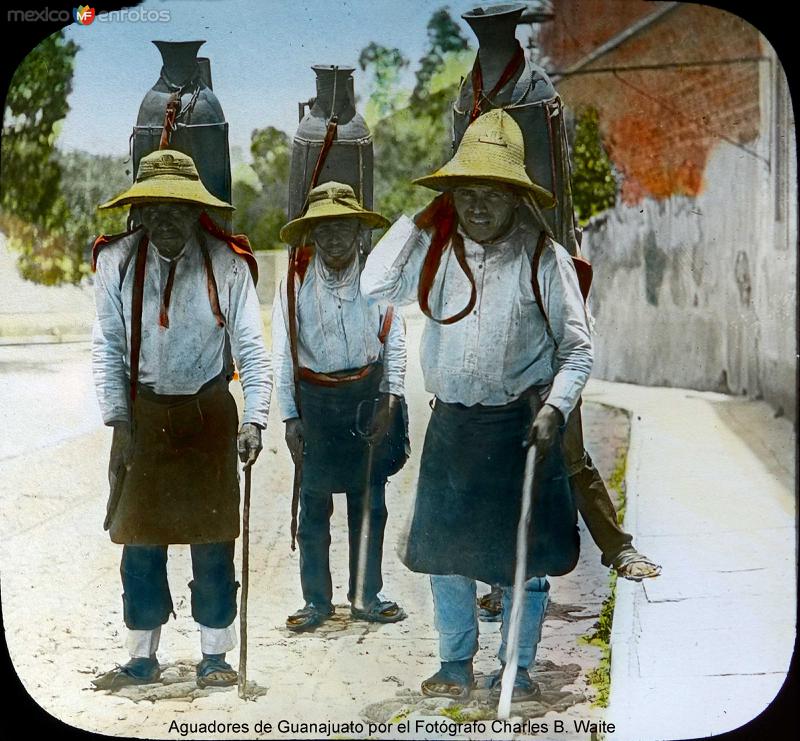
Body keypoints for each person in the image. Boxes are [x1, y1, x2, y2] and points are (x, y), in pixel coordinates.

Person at [361, 109, 592, 701]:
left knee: (525, 559)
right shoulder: (435, 250)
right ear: (451, 199)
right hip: (454, 425)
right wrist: (420, 218)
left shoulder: (544, 257)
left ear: (517, 198)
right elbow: (373, 286)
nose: (479, 207)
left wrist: (555, 408)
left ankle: (517, 665)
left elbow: (578, 351)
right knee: (445, 556)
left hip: (521, 427)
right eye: (466, 194)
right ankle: (454, 662)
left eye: (493, 194)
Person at [90, 149, 271, 690]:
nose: (166, 220)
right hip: (143, 414)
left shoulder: (228, 263)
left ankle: (215, 655)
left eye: (179, 208)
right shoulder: (115, 261)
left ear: (197, 211)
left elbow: (252, 350)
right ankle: (141, 656)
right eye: (155, 208)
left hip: (208, 411)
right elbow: (108, 348)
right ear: (139, 211)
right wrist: (119, 424)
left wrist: (254, 419)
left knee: (213, 540)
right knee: (139, 542)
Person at [273, 181, 409, 632]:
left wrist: (391, 398)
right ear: (312, 234)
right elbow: (281, 354)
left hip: (366, 399)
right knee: (313, 509)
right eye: (324, 229)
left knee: (369, 505)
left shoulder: (377, 281)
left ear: (358, 232)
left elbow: (396, 342)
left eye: (343, 227)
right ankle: (317, 601)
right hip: (316, 403)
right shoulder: (293, 285)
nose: (334, 238)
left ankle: (367, 595)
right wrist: (290, 416)